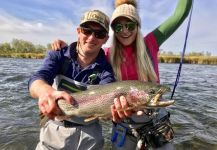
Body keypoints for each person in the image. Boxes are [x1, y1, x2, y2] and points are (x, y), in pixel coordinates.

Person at [51, 0, 192, 149]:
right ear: (113, 30)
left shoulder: (151, 43)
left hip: (156, 122)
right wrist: (66, 49)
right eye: (118, 26)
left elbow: (180, 14)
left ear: (137, 26)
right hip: (123, 125)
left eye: (130, 25)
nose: (125, 30)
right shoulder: (106, 54)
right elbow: (85, 52)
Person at [28, 10, 116, 150]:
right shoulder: (59, 55)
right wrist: (46, 92)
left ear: (105, 38)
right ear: (78, 31)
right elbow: (38, 78)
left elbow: (107, 92)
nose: (92, 38)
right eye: (87, 31)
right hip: (54, 131)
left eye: (99, 34)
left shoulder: (107, 68)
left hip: (90, 137)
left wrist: (111, 112)